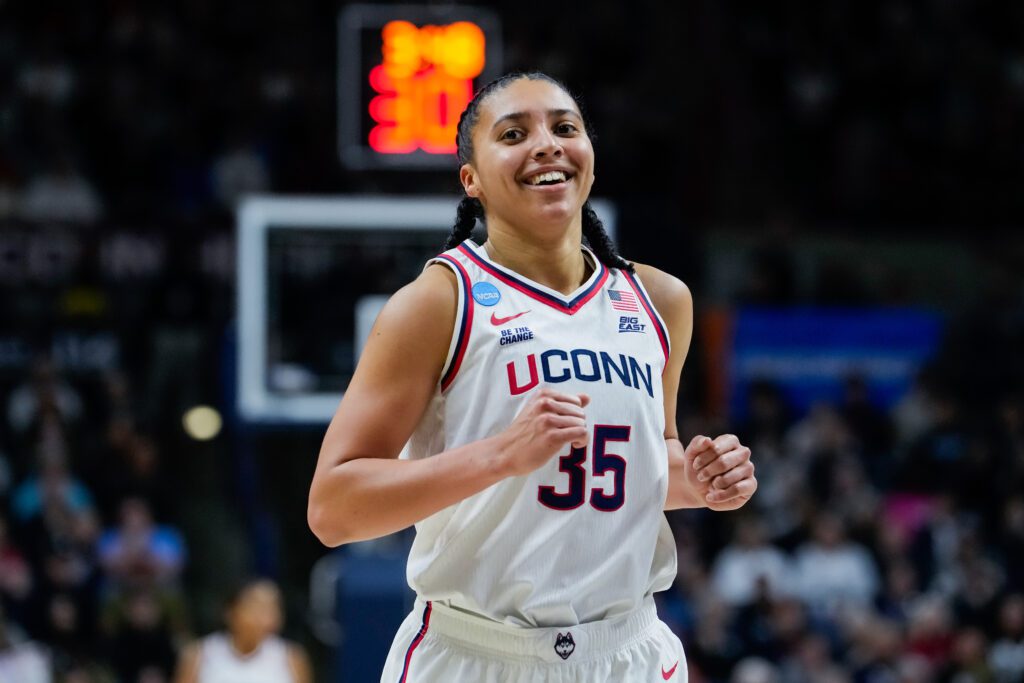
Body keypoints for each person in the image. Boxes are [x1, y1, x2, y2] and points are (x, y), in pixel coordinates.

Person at [307, 71, 757, 682]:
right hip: (476, 655)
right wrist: (500, 456)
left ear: (589, 159)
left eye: (564, 128)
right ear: (471, 179)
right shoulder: (439, 301)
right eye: (514, 133)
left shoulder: (660, 298)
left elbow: (645, 466)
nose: (546, 144)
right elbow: (334, 510)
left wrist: (702, 480)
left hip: (627, 653)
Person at [173, 578, 311, 683]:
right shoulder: (198, 654)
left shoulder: (292, 657)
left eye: (273, 608)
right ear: (230, 611)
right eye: (257, 607)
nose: (266, 617)